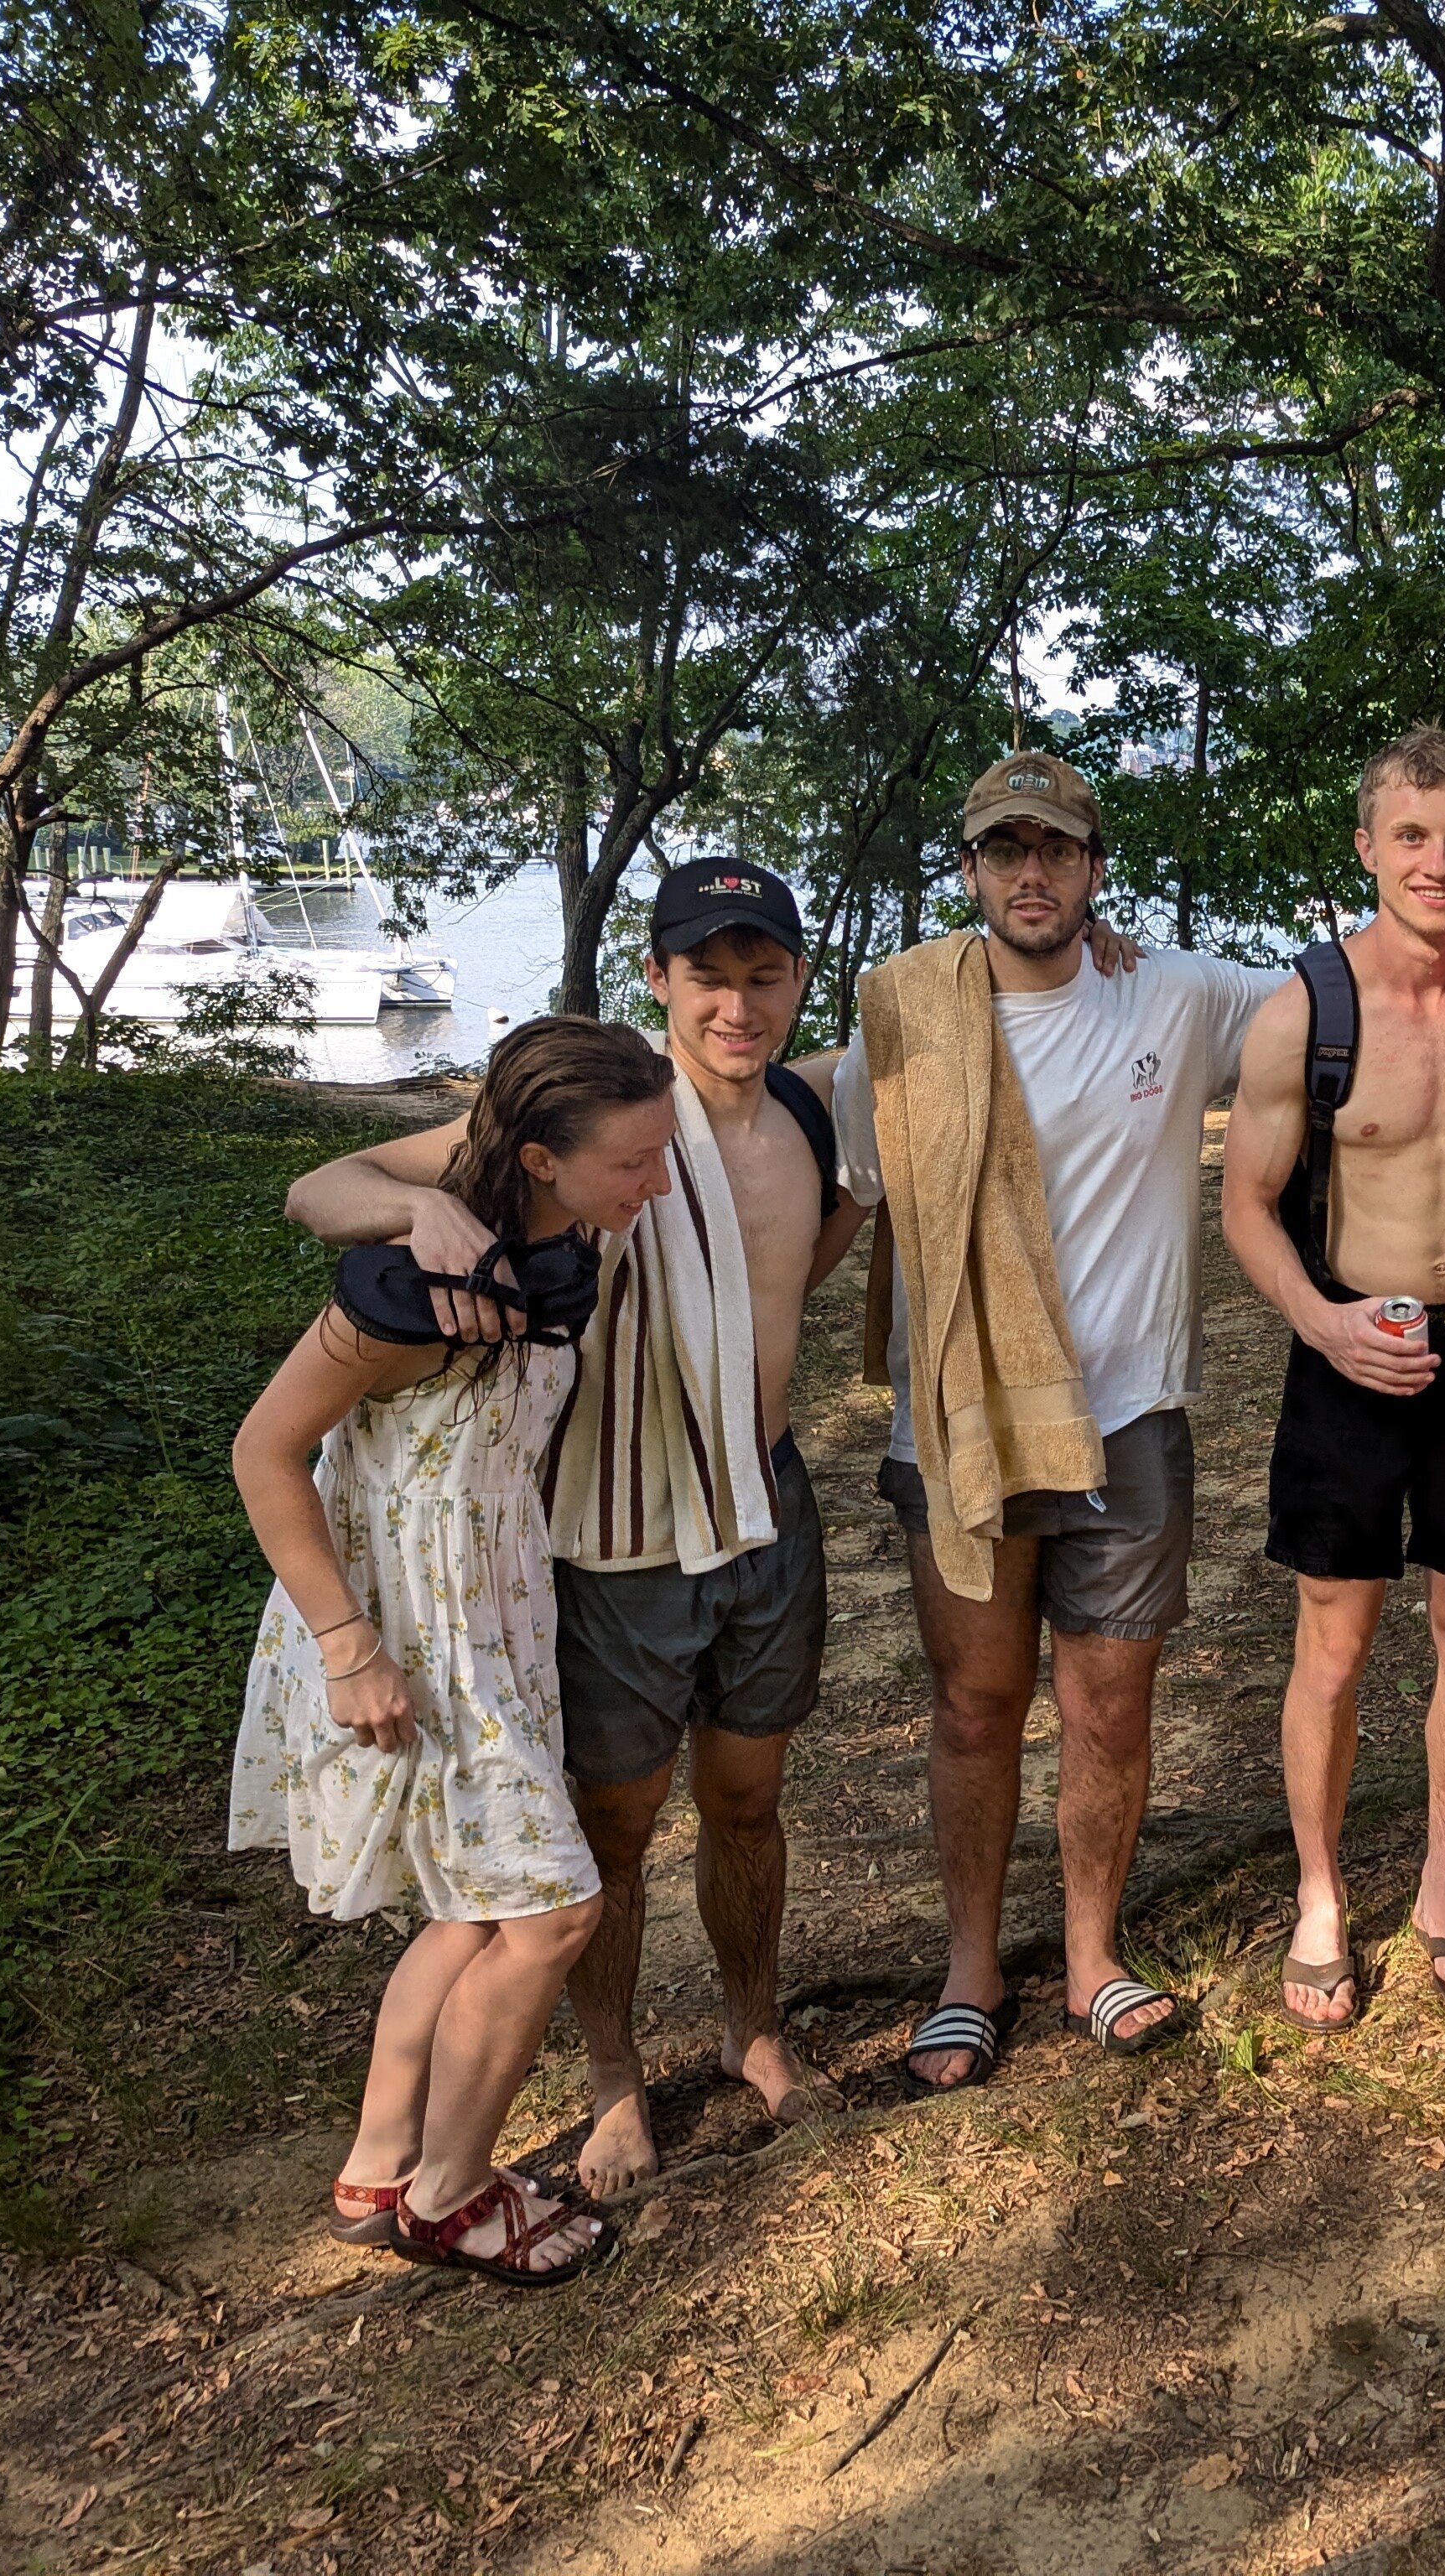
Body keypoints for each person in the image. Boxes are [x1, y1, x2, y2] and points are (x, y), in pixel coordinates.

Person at [288, 863, 867, 2199]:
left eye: (763, 973)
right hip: (612, 1542)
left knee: (749, 1800)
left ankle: (754, 2031)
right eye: (707, 974)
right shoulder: (582, 1123)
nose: (737, 1002)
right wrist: (418, 1203)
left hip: (766, 1510)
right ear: (658, 979)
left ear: (797, 978)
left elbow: (820, 1237)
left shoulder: (806, 1108)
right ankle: (612, 2082)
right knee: (613, 1828)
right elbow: (322, 1186)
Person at [836, 748, 1280, 2087]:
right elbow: (852, 1187)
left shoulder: (1179, 993)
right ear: (969, 871)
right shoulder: (902, 1022)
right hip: (962, 1427)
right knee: (976, 1708)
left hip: (1127, 1419)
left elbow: (1353, 1002)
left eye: (1059, 850)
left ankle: (1090, 1954)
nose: (1032, 873)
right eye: (1005, 851)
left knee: (1108, 1710)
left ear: (1097, 871)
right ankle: (971, 1967)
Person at [231, 1015, 678, 2285]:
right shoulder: (411, 1306)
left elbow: (337, 1179)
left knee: (474, 1907)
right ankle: (451, 2194)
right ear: (539, 1157)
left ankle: (380, 2166)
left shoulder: (536, 1227)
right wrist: (348, 1645)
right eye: (634, 1164)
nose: (656, 1182)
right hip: (410, 1633)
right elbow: (265, 1455)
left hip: (499, 1608)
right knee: (551, 1912)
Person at [1219, 725, 1445, 2028]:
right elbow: (1245, 1205)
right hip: (1352, 1354)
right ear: (1367, 849)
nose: (1437, 862)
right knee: (1332, 1649)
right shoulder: (1306, 1010)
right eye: (1412, 836)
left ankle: (1444, 1885)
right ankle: (1324, 1896)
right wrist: (1324, 1324)